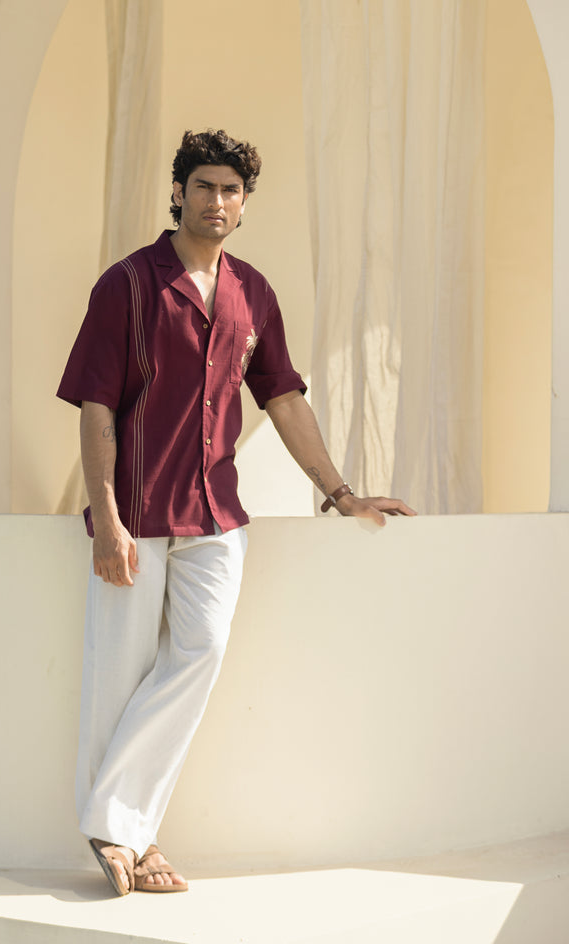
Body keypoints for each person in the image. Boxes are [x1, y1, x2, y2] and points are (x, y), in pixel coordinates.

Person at [57, 128, 415, 896]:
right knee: (117, 675)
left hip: (217, 515)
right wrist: (108, 520)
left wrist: (341, 492)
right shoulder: (126, 285)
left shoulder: (253, 292)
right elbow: (95, 409)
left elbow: (283, 397)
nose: (217, 201)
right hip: (139, 513)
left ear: (245, 205)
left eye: (231, 191)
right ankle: (128, 838)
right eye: (205, 186)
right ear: (179, 192)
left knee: (202, 652)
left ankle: (113, 820)